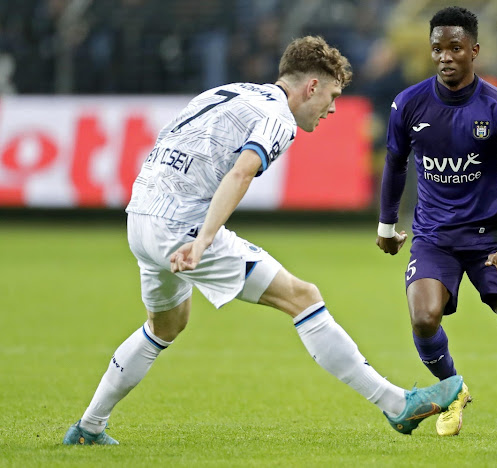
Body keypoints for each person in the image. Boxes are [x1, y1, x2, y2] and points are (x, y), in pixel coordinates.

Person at [63, 36, 463, 445]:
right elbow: (240, 173)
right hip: (181, 227)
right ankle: (396, 404)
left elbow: (169, 139)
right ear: (311, 87)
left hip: (142, 213)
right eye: (333, 94)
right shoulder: (278, 118)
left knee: (166, 323)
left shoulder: (230, 92)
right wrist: (201, 241)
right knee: (302, 297)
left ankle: (89, 428)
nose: (333, 107)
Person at [375, 7, 497, 437]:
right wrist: (386, 226)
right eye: (437, 48)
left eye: (455, 48)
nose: (445, 57)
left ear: (474, 51)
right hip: (434, 238)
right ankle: (451, 391)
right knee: (423, 318)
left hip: (491, 240)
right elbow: (395, 165)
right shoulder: (409, 104)